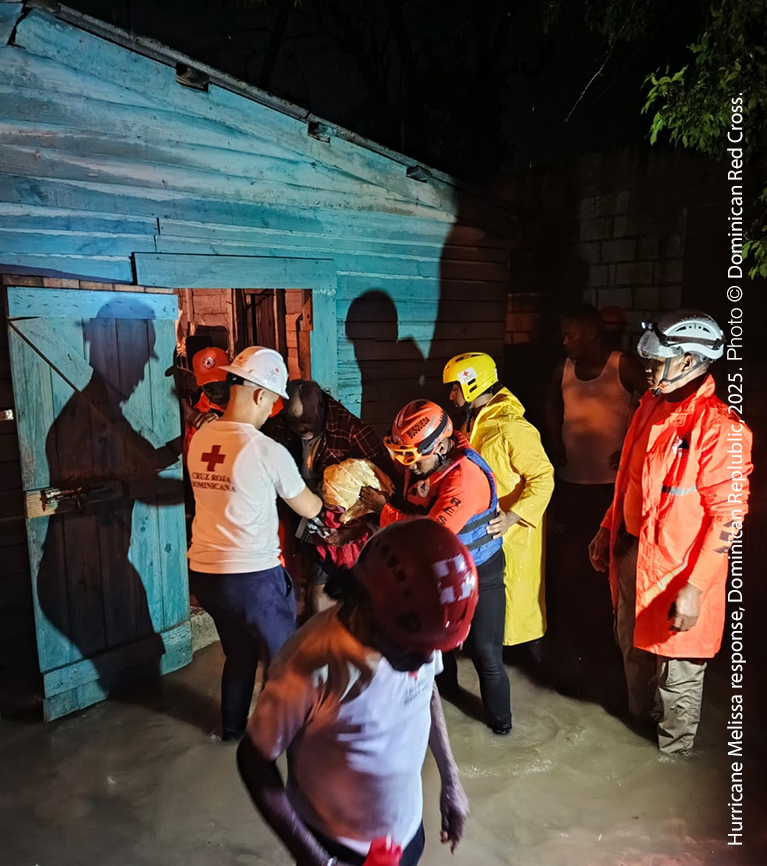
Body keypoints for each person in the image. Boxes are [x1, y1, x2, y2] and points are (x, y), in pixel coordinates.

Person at [237, 519, 475, 866]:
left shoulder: (418, 627)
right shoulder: (309, 663)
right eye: (413, 650)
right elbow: (253, 760)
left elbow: (426, 690)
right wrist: (317, 860)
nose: (425, 659)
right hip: (334, 846)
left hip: (406, 831)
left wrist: (451, 781)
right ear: (369, 607)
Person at [588, 311, 753, 755]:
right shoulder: (650, 406)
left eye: (657, 360)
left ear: (690, 362)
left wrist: (696, 588)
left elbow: (729, 517)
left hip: (679, 571)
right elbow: (630, 480)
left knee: (677, 671)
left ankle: (672, 756)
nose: (648, 368)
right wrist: (608, 528)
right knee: (633, 651)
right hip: (633, 555)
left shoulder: (722, 430)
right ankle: (636, 734)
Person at [187, 346, 323, 741]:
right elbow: (309, 508)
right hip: (253, 580)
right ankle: (289, 743)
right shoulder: (267, 450)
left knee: (240, 654)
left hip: (206, 578)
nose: (271, 414)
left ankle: (231, 733)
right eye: (274, 405)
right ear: (262, 395)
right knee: (287, 663)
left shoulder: (201, 439)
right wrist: (321, 497)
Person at [360, 400, 512, 734]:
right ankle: (448, 702)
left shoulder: (464, 479)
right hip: (439, 573)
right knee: (437, 645)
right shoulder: (427, 465)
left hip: (479, 572)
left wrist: (383, 510)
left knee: (486, 654)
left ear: (441, 446)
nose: (408, 467)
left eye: (413, 457)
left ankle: (502, 729)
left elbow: (427, 534)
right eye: (402, 457)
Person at [544, 304, 646, 696]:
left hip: (609, 488)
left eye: (570, 333)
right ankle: (574, 640)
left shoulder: (622, 366)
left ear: (589, 332)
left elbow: (654, 405)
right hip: (572, 483)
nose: (564, 340)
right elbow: (550, 404)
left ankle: (605, 643)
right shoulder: (564, 370)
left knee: (606, 565)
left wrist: (632, 446)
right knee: (570, 561)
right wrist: (556, 443)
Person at [443, 353, 555, 652]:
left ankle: (535, 662)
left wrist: (513, 517)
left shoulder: (511, 427)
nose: (451, 395)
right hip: (486, 533)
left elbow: (544, 477)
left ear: (471, 385)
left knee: (518, 603)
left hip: (512, 532)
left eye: (455, 388)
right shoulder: (472, 424)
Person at [266, 379, 391, 614]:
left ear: (322, 406)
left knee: (346, 582)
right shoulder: (281, 424)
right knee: (314, 580)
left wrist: (356, 528)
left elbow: (385, 484)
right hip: (305, 513)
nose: (302, 429)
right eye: (296, 424)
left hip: (347, 521)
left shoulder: (352, 432)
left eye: (308, 423)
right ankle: (319, 633)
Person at [183, 346, 231, 458]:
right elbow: (189, 458)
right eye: (209, 388)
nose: (218, 392)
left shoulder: (248, 402)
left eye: (222, 384)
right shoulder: (199, 413)